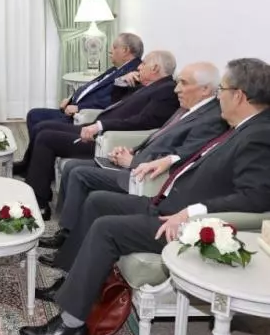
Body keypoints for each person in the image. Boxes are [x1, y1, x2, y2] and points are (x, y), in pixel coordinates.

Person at [20, 58, 270, 335]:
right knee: (98, 201)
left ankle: (71, 324)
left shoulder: (259, 135)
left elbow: (257, 196)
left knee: (106, 228)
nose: (218, 96)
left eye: (222, 89)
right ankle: (70, 281)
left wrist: (192, 212)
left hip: (184, 224)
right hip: (166, 203)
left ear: (239, 95)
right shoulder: (242, 127)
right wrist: (166, 162)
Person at [40, 62, 226, 267]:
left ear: (205, 89)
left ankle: (68, 237)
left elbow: (182, 156)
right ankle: (68, 233)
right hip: (136, 162)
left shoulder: (211, 118)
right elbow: (159, 136)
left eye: (183, 83)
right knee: (74, 168)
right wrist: (133, 151)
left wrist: (134, 161)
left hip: (146, 177)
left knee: (80, 174)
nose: (177, 89)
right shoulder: (188, 109)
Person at [23, 51, 179, 218]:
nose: (139, 67)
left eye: (144, 63)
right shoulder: (148, 85)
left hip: (107, 138)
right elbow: (116, 104)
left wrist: (101, 126)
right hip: (99, 128)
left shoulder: (167, 91)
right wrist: (121, 82)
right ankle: (35, 183)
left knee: (46, 138)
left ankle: (39, 203)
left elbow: (142, 122)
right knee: (43, 127)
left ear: (155, 68)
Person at [14, 32, 143, 174]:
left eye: (114, 47)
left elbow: (111, 102)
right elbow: (91, 87)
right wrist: (70, 98)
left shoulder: (133, 74)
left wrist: (79, 107)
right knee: (34, 115)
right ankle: (33, 163)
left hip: (82, 116)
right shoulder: (118, 68)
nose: (110, 50)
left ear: (125, 50)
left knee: (40, 126)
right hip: (73, 107)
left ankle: (34, 167)